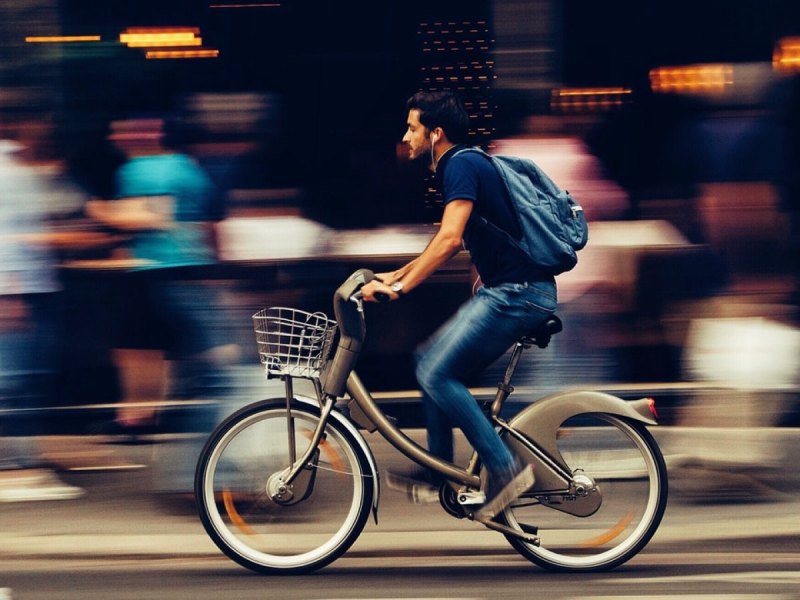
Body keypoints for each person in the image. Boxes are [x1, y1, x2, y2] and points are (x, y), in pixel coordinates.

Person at [361, 91, 557, 520]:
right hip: (509, 291)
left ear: (436, 133)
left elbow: (449, 238)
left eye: (412, 127)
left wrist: (401, 290)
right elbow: (448, 245)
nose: (405, 136)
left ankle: (505, 469)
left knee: (435, 372)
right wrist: (397, 274)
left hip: (518, 293)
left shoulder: (461, 164)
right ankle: (440, 471)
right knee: (426, 358)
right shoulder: (464, 163)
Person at [85, 116, 236, 495]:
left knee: (179, 360)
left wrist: (97, 211)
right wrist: (216, 271)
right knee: (203, 365)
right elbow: (210, 225)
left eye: (121, 132)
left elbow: (145, 217)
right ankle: (159, 434)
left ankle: (147, 427)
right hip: (190, 272)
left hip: (155, 275)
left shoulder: (139, 169)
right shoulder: (191, 169)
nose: (115, 138)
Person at [0, 113, 83, 502]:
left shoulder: (21, 169)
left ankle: (24, 461)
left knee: (28, 378)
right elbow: (6, 236)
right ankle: (14, 468)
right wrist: (9, 295)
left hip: (34, 288)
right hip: (21, 291)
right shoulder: (9, 171)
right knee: (15, 381)